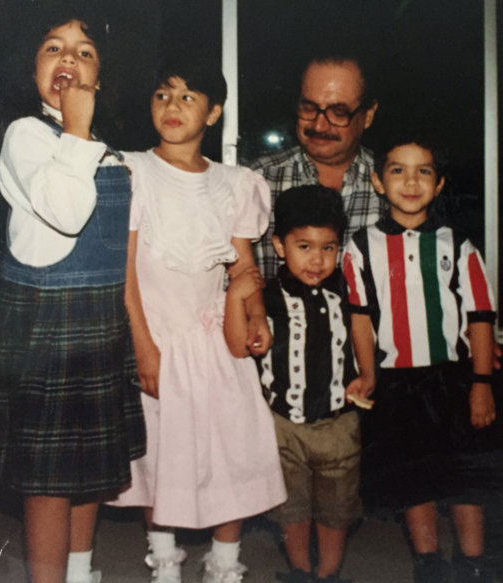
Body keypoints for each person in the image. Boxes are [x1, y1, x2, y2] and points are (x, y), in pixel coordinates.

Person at [108, 57, 285, 583]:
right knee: (158, 453)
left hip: (215, 337)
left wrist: (255, 317)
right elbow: (126, 272)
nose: (173, 106)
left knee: (231, 446)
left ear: (214, 112)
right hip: (158, 332)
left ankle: (225, 563)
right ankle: (163, 559)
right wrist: (143, 345)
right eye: (163, 95)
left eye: (188, 97)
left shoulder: (236, 183)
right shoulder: (133, 171)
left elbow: (244, 265)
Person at [0, 17, 146, 583]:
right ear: (33, 68)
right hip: (46, 324)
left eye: (84, 52)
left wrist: (141, 336)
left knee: (88, 473)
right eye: (53, 48)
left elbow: (123, 251)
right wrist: (76, 132)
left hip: (97, 320)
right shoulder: (26, 136)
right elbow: (66, 210)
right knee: (49, 480)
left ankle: (82, 573)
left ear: (101, 78)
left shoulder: (104, 150)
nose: (68, 59)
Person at [343, 136, 496, 583]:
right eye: (397, 170)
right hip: (395, 382)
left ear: (440, 183)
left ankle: (472, 562)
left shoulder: (459, 243)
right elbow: (360, 319)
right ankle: (428, 561)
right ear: (377, 180)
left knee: (463, 475)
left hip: (453, 378)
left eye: (423, 171)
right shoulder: (361, 246)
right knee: (412, 476)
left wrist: (482, 383)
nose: (411, 181)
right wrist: (368, 373)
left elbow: (480, 316)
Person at [231, 186, 361, 583]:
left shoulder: (349, 292)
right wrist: (237, 302)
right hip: (282, 425)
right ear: (279, 245)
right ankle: (300, 571)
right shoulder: (266, 297)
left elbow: (366, 338)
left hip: (338, 423)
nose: (317, 259)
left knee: (336, 507)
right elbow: (240, 346)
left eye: (328, 247)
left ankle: (328, 573)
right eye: (304, 246)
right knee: (292, 507)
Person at [251, 55, 383, 280]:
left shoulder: (394, 187)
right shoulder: (258, 180)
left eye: (338, 112)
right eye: (308, 108)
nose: (319, 125)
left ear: (368, 115)